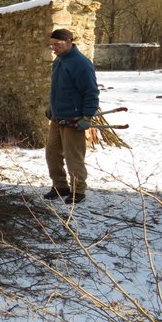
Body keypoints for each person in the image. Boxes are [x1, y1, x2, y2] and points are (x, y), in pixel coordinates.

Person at [44, 28, 100, 204]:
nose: (54, 48)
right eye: (51, 45)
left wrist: (87, 116)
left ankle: (78, 190)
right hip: (57, 117)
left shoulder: (81, 63)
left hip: (74, 119)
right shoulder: (59, 61)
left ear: (69, 42)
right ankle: (60, 186)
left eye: (57, 45)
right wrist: (51, 106)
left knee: (73, 156)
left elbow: (91, 91)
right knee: (52, 153)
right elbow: (58, 88)